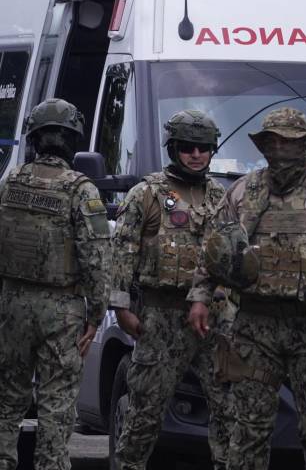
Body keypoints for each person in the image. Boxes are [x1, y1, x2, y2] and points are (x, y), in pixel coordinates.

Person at [187, 107, 306, 470]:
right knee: (247, 429)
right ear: (263, 145)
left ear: (305, 145)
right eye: (273, 141)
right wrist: (200, 296)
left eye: (289, 141)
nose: (280, 149)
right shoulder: (244, 190)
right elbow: (215, 247)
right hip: (254, 327)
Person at [110, 110, 236, 470]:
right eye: (187, 147)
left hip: (214, 319)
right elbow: (122, 252)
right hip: (162, 316)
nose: (196, 155)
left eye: (203, 148)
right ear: (173, 148)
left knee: (230, 410)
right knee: (144, 411)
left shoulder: (221, 197)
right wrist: (121, 307)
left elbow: (234, 254)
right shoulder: (146, 194)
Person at [0, 98, 110, 470]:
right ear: (72, 140)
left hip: (12, 304)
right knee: (57, 404)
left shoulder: (11, 181)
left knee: (6, 398)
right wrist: (96, 313)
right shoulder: (81, 190)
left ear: (34, 138)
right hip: (62, 312)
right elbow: (96, 256)